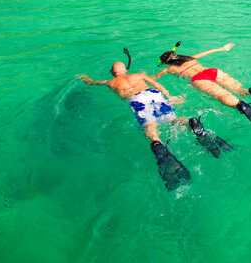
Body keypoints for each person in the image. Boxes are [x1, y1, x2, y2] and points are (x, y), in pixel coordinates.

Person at [77, 61, 232, 190]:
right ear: (126, 69)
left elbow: (92, 82)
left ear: (112, 72)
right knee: (173, 119)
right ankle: (190, 123)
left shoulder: (110, 82)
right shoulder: (139, 75)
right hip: (153, 94)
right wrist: (170, 96)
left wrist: (85, 78)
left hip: (136, 100)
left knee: (150, 126)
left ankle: (157, 144)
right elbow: (158, 85)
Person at [153, 43, 251, 137]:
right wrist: (223, 48)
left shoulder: (170, 69)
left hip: (199, 79)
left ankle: (241, 106)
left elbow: (154, 78)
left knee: (224, 96)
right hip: (212, 72)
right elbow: (208, 52)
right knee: (239, 89)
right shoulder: (190, 58)